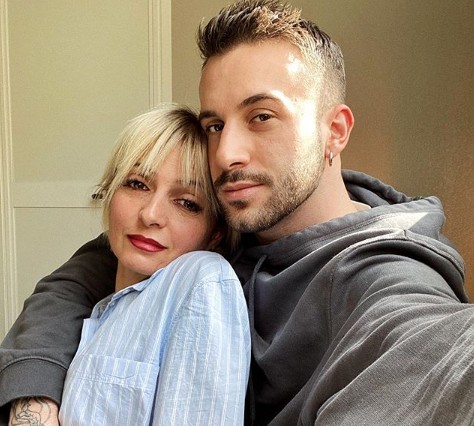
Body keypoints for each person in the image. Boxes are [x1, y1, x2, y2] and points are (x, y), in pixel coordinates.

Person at [1, 0, 474, 424]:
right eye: (214, 124)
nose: (226, 154)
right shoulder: (231, 216)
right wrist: (33, 393)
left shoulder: (384, 279)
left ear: (335, 130)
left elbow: (437, 350)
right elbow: (84, 275)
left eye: (261, 116)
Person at [6, 105, 251, 425]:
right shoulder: (98, 305)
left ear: (215, 234)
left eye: (187, 203)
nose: (151, 215)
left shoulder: (204, 280)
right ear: (110, 191)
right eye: (137, 184)